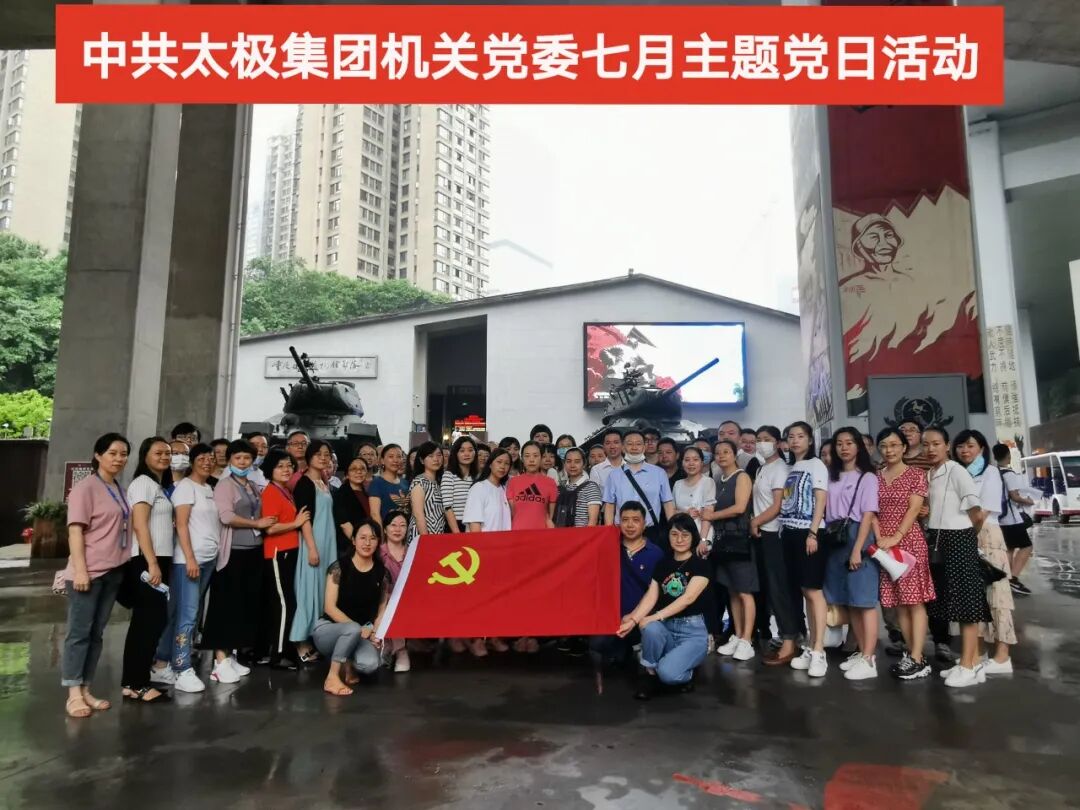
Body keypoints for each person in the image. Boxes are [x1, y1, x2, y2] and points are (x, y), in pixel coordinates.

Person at [62, 433, 131, 718]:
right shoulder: (86, 488)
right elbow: (75, 530)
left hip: (113, 571)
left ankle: (86, 688)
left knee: (96, 634)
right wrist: (80, 570)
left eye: (123, 454)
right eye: (112, 453)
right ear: (98, 455)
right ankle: (73, 694)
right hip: (88, 572)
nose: (119, 459)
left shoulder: (118, 488)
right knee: (79, 634)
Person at [202, 439, 276, 684]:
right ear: (230, 460)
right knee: (226, 605)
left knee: (243, 605)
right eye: (238, 458)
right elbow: (226, 516)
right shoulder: (225, 485)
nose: (243, 462)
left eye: (247, 458)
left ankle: (231, 654)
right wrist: (256, 524)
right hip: (232, 552)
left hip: (253, 551)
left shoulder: (252, 485)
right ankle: (219, 660)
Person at [924, 426, 991, 688]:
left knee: (966, 604)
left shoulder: (956, 471)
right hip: (939, 539)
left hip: (960, 538)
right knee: (950, 602)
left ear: (946, 445)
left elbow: (977, 513)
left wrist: (967, 538)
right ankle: (970, 662)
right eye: (926, 444)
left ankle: (967, 666)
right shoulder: (931, 473)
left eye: (936, 444)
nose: (931, 449)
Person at [150, 443, 219, 693]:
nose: (207, 462)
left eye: (211, 458)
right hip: (188, 561)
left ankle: (161, 663)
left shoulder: (208, 488)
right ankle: (182, 667)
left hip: (208, 560)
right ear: (192, 461)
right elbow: (181, 525)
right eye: (202, 458)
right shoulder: (185, 488)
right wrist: (189, 558)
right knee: (188, 615)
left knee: (182, 612)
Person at [619, 513, 711, 699]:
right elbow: (651, 596)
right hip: (667, 628)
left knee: (668, 674)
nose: (679, 540)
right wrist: (634, 620)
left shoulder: (700, 565)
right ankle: (649, 675)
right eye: (674, 534)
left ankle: (687, 672)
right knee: (650, 628)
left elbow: (687, 598)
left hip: (692, 633)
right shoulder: (663, 564)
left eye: (685, 535)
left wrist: (654, 616)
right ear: (668, 536)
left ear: (692, 537)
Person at [873, 427, 935, 680]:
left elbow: (914, 509)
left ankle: (918, 658)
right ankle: (912, 654)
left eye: (894, 445)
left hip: (909, 543)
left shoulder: (916, 475)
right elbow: (871, 511)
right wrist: (880, 538)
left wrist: (896, 537)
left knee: (915, 601)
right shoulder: (875, 477)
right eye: (884, 446)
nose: (889, 450)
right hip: (884, 547)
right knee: (899, 603)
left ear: (904, 448)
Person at [953, 430, 1016, 677]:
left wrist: (967, 533)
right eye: (960, 446)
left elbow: (984, 511)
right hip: (963, 534)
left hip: (986, 534)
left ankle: (1002, 656)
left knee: (997, 598)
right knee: (972, 599)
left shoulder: (990, 473)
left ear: (981, 448)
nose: (964, 450)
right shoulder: (956, 473)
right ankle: (976, 655)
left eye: (970, 446)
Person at [823, 427, 881, 681]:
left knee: (864, 600)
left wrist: (858, 549)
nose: (844, 448)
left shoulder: (867, 477)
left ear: (858, 446)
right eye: (839, 443)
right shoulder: (831, 475)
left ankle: (869, 658)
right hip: (835, 538)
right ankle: (860, 651)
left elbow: (868, 514)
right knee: (850, 601)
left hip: (857, 535)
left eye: (849, 443)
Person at [120, 437, 173, 704]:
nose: (164, 456)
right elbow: (140, 525)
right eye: (158, 452)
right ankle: (138, 684)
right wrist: (152, 563)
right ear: (145, 456)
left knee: (148, 621)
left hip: (158, 558)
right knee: (149, 621)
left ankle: (133, 682)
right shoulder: (143, 483)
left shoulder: (157, 485)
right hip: (146, 560)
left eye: (167, 453)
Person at [312, 519, 389, 696]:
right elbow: (329, 608)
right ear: (353, 540)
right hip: (328, 631)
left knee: (371, 664)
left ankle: (348, 664)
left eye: (373, 538)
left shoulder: (382, 573)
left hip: (359, 633)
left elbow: (381, 609)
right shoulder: (339, 567)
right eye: (362, 537)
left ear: (378, 542)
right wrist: (360, 629)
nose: (367, 543)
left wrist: (374, 632)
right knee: (352, 628)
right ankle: (332, 678)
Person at [589, 502, 665, 679]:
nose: (630, 525)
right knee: (599, 645)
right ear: (618, 522)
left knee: (649, 641)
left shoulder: (656, 553)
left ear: (644, 524)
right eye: (625, 520)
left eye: (636, 520)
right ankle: (624, 650)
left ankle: (641, 650)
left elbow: (657, 594)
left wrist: (634, 616)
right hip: (612, 618)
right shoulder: (608, 548)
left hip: (641, 617)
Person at [778, 421, 830, 678]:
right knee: (803, 591)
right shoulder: (792, 467)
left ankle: (819, 650)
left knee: (813, 590)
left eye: (800, 436)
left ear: (810, 440)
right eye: (791, 436)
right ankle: (810, 644)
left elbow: (820, 499)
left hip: (808, 533)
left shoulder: (815, 464)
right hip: (789, 532)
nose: (795, 440)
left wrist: (813, 532)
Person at [705, 440, 758, 662]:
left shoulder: (742, 476)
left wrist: (711, 516)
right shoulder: (718, 479)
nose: (721, 456)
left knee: (745, 591)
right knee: (732, 591)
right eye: (717, 453)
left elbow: (739, 507)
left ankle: (747, 639)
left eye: (726, 452)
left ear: (735, 454)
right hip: (721, 540)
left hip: (738, 540)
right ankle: (737, 634)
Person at [750, 426, 799, 666]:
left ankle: (790, 640)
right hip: (762, 534)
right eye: (758, 439)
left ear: (778, 443)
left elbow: (778, 505)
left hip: (774, 535)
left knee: (779, 588)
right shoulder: (762, 468)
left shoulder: (780, 469)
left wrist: (755, 521)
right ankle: (784, 634)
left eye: (767, 439)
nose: (762, 443)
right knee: (770, 588)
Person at [259, 449, 310, 670]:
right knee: (283, 604)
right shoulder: (271, 492)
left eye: (289, 465)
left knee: (289, 602)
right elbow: (270, 528)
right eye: (280, 466)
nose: (286, 469)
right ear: (270, 470)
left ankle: (285, 649)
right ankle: (278, 655)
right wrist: (296, 524)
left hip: (290, 552)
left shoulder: (285, 491)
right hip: (277, 552)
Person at [291, 440, 339, 664]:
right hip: (314, 543)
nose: (323, 458)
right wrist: (311, 547)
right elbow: (304, 519)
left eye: (326, 454)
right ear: (309, 456)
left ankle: (316, 636)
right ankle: (300, 641)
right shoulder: (305, 483)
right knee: (308, 592)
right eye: (318, 454)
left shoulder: (324, 481)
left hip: (328, 543)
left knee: (323, 592)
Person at [602, 430, 675, 547]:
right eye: (630, 444)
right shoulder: (614, 475)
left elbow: (668, 503)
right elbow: (610, 506)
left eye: (638, 444)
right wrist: (609, 531)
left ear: (644, 447)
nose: (634, 447)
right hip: (622, 531)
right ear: (623, 447)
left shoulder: (659, 473)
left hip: (651, 532)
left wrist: (673, 529)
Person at [993, 443, 1035, 596]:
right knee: (1027, 546)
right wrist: (1028, 501)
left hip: (1001, 518)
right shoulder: (1009, 474)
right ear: (1008, 456)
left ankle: (1008, 579)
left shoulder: (995, 472)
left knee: (1009, 548)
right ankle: (1014, 579)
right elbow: (1015, 496)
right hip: (1012, 519)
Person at [379, 510, 412, 670]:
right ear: (385, 529)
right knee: (388, 603)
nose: (398, 529)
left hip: (409, 599)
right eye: (393, 525)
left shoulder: (413, 551)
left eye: (402, 525)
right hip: (383, 600)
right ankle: (397, 648)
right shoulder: (377, 552)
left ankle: (397, 649)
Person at [507, 441, 558, 531]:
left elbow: (550, 516)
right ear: (522, 458)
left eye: (535, 456)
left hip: (542, 534)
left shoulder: (550, 483)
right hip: (517, 533)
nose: (531, 460)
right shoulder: (513, 482)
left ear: (541, 458)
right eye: (527, 456)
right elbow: (512, 513)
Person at [463, 448, 513, 533]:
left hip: (504, 540)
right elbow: (474, 524)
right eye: (499, 462)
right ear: (490, 464)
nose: (502, 466)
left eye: (507, 463)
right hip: (484, 541)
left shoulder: (504, 489)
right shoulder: (478, 488)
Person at [672, 446, 715, 544]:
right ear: (682, 463)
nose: (691, 463)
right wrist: (685, 513)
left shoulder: (708, 482)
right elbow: (671, 511)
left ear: (702, 462)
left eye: (695, 459)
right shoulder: (677, 484)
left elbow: (707, 513)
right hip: (680, 535)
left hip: (700, 534)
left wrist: (703, 540)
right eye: (687, 460)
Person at [407, 441, 446, 544]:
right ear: (421, 460)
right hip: (421, 536)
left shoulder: (439, 482)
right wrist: (426, 540)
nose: (436, 459)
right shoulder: (419, 481)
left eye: (439, 455)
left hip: (437, 535)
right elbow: (418, 514)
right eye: (430, 456)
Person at [333, 456, 372, 556]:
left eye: (362, 469)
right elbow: (344, 524)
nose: (358, 472)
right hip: (350, 547)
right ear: (347, 474)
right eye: (353, 469)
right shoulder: (341, 494)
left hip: (366, 545)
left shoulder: (367, 493)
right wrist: (359, 544)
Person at [440, 436, 478, 535]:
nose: (467, 454)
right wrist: (457, 534)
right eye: (462, 451)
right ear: (455, 454)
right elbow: (447, 508)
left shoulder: (477, 477)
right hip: (455, 525)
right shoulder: (449, 475)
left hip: (474, 525)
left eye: (470, 450)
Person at [556, 447, 602, 527]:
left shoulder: (591, 487)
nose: (572, 465)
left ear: (584, 464)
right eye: (568, 461)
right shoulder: (560, 488)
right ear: (564, 464)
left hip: (583, 534)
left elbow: (593, 521)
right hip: (561, 533)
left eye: (577, 462)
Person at [368, 444, 409, 526]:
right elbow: (375, 514)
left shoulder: (406, 483)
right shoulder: (376, 483)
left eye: (399, 456)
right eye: (391, 456)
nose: (395, 460)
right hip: (387, 530)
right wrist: (381, 533)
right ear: (382, 460)